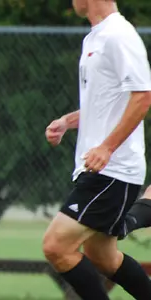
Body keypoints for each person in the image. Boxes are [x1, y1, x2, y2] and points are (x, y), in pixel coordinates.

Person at [42, 0, 151, 299]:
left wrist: (106, 147)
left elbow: (142, 97)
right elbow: (103, 105)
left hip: (112, 170)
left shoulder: (119, 35)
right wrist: (67, 122)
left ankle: (146, 208)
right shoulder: (96, 37)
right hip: (100, 167)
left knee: (56, 246)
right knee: (102, 256)